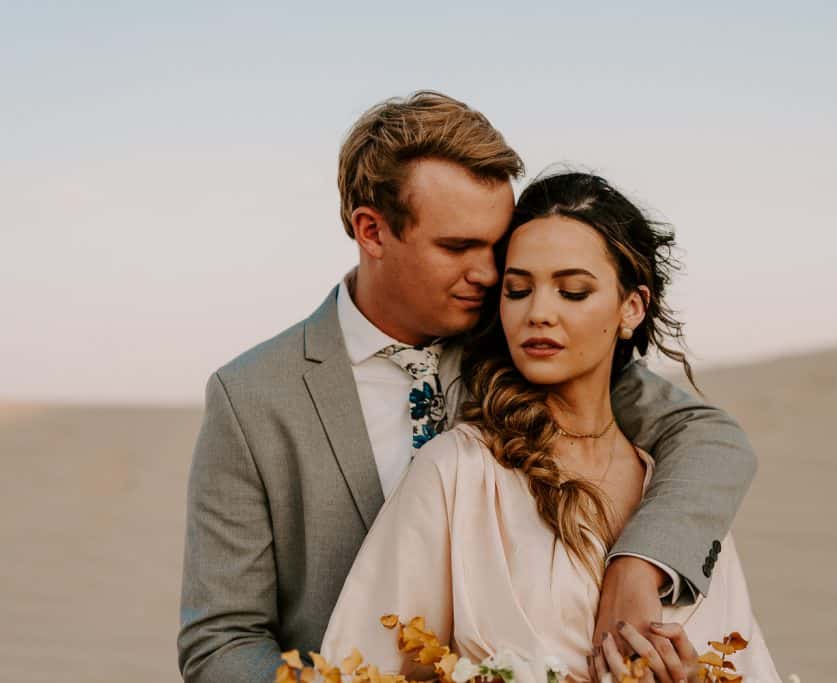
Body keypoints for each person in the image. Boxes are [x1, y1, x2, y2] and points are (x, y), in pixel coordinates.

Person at [178, 92, 758, 683]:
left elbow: (708, 438)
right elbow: (221, 640)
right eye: (458, 247)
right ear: (371, 231)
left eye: (496, 246)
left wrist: (638, 565)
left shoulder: (525, 340)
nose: (487, 274)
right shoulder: (252, 395)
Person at [318, 171, 779, 683]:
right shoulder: (458, 473)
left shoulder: (679, 494)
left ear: (632, 308)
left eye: (573, 292)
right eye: (517, 290)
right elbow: (353, 670)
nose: (538, 312)